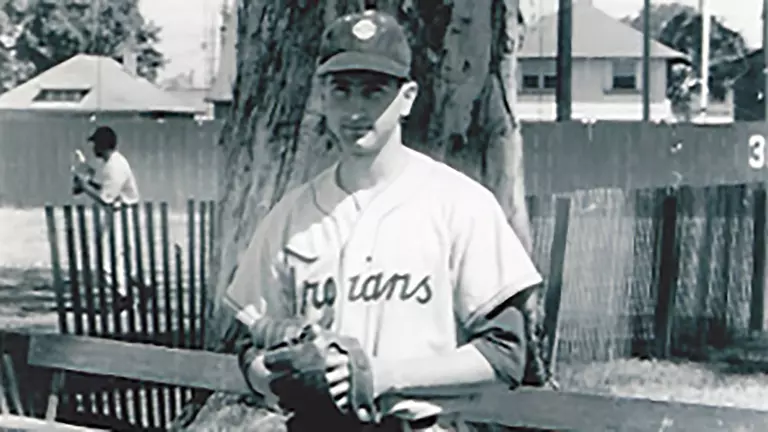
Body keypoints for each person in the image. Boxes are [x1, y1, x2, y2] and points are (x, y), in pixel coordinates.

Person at [224, 9, 543, 431]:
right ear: (322, 96)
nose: (355, 109)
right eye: (342, 90)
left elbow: (506, 354)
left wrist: (383, 375)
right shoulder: (290, 217)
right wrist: (281, 377)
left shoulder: (460, 205)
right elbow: (249, 345)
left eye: (374, 91)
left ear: (407, 97)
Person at [73, 125, 142, 312]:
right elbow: (106, 190)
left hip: (122, 214)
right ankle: (132, 292)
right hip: (120, 212)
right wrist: (88, 184)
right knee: (119, 257)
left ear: (102, 145)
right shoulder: (112, 163)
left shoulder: (115, 166)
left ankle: (124, 296)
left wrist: (84, 187)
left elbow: (105, 199)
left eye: (95, 143)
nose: (93, 147)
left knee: (109, 258)